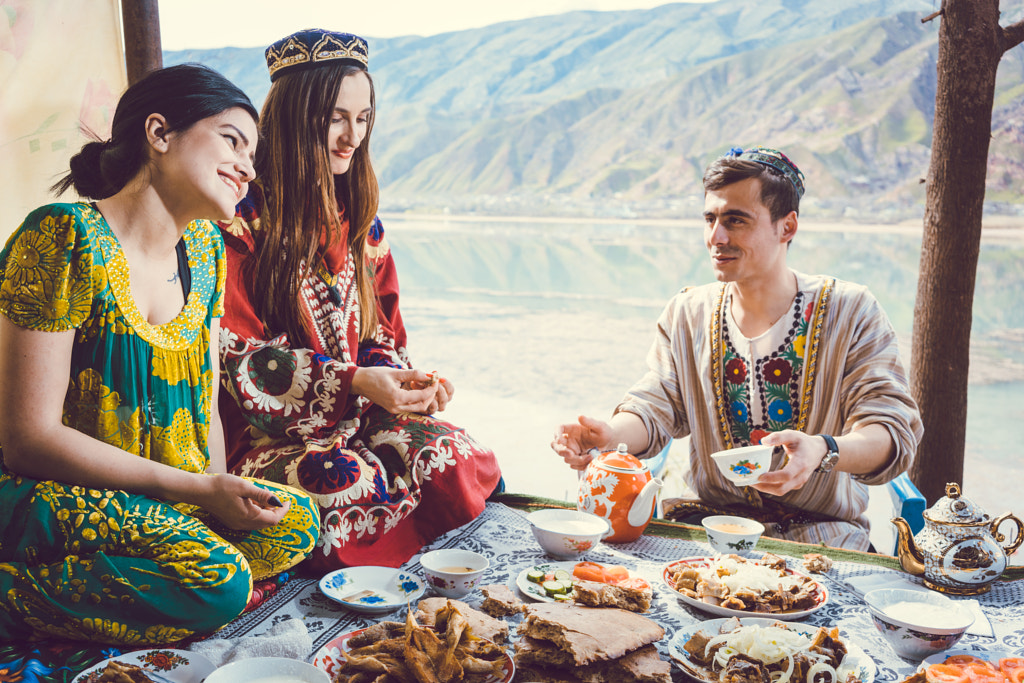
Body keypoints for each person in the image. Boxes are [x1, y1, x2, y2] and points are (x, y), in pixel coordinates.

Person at [0, 64, 320, 645]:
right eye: (232, 140)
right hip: (56, 493)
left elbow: (203, 396)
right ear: (159, 133)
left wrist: (218, 489)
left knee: (295, 523)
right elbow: (28, 439)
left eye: (253, 154)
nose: (249, 167)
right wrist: (197, 494)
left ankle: (156, 577)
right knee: (220, 582)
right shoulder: (62, 237)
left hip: (169, 494)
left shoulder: (206, 250)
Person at [218, 29, 502, 569]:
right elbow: (235, 359)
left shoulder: (362, 221)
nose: (353, 135)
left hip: (358, 412)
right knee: (335, 487)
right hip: (264, 433)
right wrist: (349, 382)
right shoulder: (241, 218)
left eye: (364, 117)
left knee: (452, 455)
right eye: (335, 118)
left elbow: (381, 336)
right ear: (296, 117)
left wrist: (404, 385)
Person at [552, 146, 923, 551]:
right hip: (711, 531)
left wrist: (823, 450)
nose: (716, 237)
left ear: (787, 226)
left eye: (736, 220)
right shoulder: (688, 313)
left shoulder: (851, 311)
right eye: (710, 219)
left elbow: (889, 432)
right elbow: (656, 406)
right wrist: (608, 434)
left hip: (826, 537)